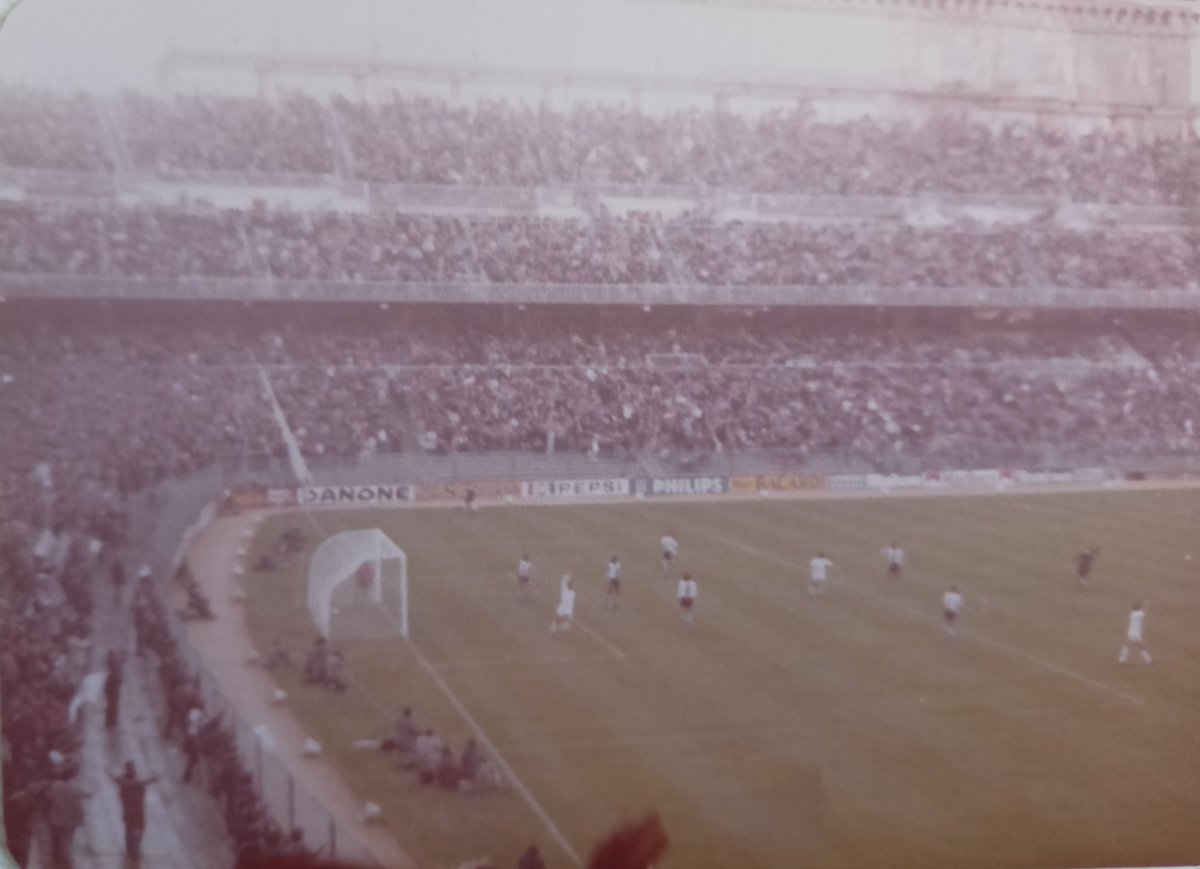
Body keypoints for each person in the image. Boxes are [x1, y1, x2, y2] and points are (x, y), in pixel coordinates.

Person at [112, 762, 158, 867]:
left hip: (136, 809)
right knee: (133, 829)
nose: (133, 771)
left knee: (133, 829)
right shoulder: (129, 781)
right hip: (132, 809)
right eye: (131, 769)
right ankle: (134, 850)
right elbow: (140, 784)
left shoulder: (124, 781)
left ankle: (132, 849)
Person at [45, 771, 87, 869]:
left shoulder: (55, 786)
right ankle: (65, 861)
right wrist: (81, 819)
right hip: (69, 820)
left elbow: (48, 798)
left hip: (55, 819)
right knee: (67, 841)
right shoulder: (74, 788)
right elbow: (78, 805)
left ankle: (56, 860)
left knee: (55, 840)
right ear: (71, 777)